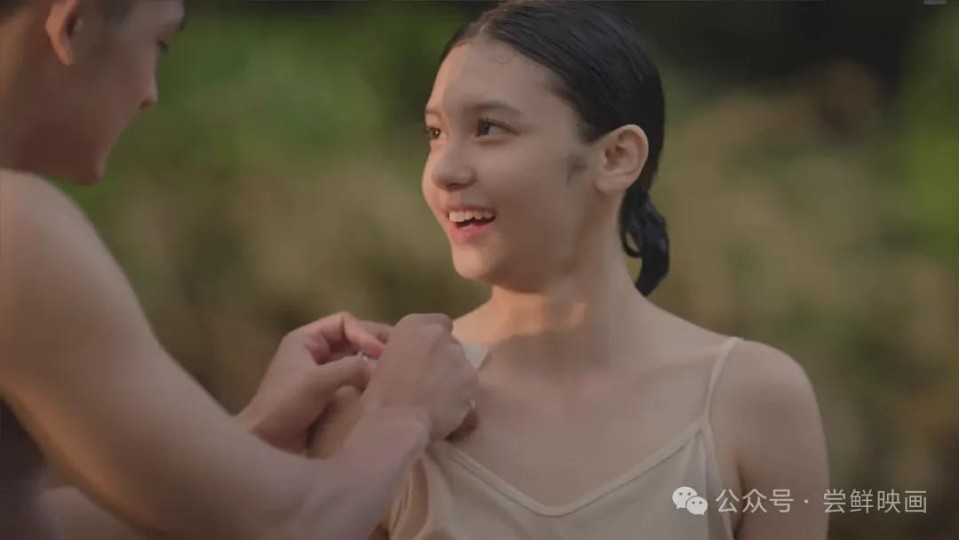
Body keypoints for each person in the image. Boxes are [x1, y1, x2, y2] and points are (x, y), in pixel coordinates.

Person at [310, 2, 830, 539]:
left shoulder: (750, 400)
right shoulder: (385, 405)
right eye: (435, 133)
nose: (444, 170)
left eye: (488, 128)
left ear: (616, 157)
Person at [0, 1, 478, 539]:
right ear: (74, 25)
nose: (150, 94)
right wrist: (403, 414)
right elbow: (293, 527)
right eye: (159, 45)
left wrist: (247, 444)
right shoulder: (15, 227)